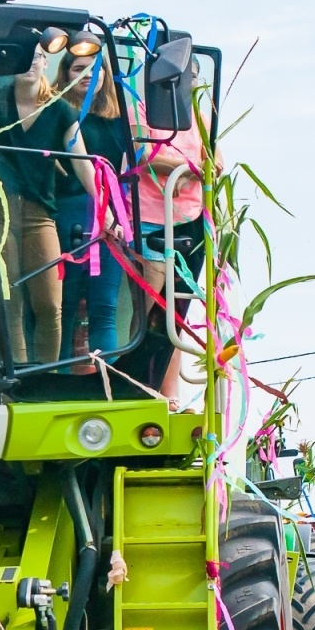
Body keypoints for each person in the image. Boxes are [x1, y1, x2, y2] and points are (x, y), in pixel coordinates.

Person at [0, 46, 95, 364]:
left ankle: (46, 376)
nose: (30, 61)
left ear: (46, 63)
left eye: (38, 56)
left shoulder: (60, 109)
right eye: (23, 55)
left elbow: (82, 163)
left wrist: (106, 205)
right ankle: (17, 374)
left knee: (49, 305)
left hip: (38, 213)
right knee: (11, 301)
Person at [129, 61, 219, 408]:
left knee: (176, 315)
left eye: (193, 77)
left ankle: (170, 393)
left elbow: (215, 161)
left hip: (190, 219)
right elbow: (144, 153)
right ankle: (137, 387)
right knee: (148, 309)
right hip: (152, 218)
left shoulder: (199, 116)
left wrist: (184, 171)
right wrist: (185, 169)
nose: (187, 82)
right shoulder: (141, 109)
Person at [54, 50, 130, 360]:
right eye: (78, 68)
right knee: (64, 306)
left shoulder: (119, 121)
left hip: (111, 218)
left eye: (95, 69)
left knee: (104, 307)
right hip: (70, 213)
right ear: (65, 74)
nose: (88, 74)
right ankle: (55, 381)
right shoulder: (59, 114)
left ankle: (107, 381)